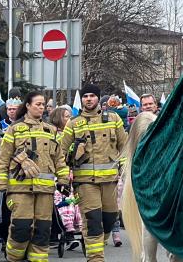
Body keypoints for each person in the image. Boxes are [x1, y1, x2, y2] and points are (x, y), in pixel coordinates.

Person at [0, 91, 70, 262]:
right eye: (38, 104)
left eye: (43, 104)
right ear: (27, 105)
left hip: (45, 190)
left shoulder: (50, 130)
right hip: (19, 188)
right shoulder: (15, 129)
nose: (41, 107)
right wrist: (0, 184)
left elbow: (59, 159)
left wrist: (64, 180)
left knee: (42, 230)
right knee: (21, 228)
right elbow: (2, 158)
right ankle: (14, 257)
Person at [60, 83, 129, 261]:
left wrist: (124, 169)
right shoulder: (73, 123)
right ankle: (95, 257)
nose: (88, 99)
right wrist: (65, 170)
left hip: (110, 181)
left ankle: (91, 242)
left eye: (91, 95)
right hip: (85, 183)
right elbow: (60, 152)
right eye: (85, 96)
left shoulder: (113, 119)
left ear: (98, 98)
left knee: (109, 219)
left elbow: (125, 147)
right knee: (92, 221)